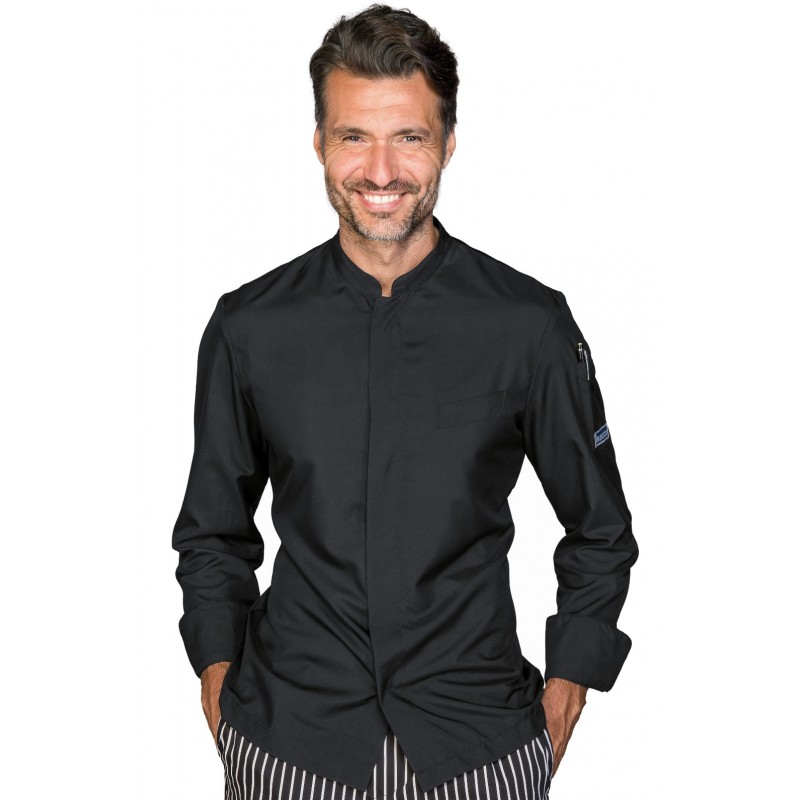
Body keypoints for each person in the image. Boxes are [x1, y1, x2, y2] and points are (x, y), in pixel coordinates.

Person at [172, 5, 639, 800]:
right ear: (319, 142)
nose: (381, 171)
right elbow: (213, 533)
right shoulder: (249, 326)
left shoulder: (528, 324)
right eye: (354, 136)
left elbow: (599, 529)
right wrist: (219, 678)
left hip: (479, 748)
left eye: (410, 137)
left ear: (448, 142)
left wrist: (570, 684)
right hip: (289, 744)